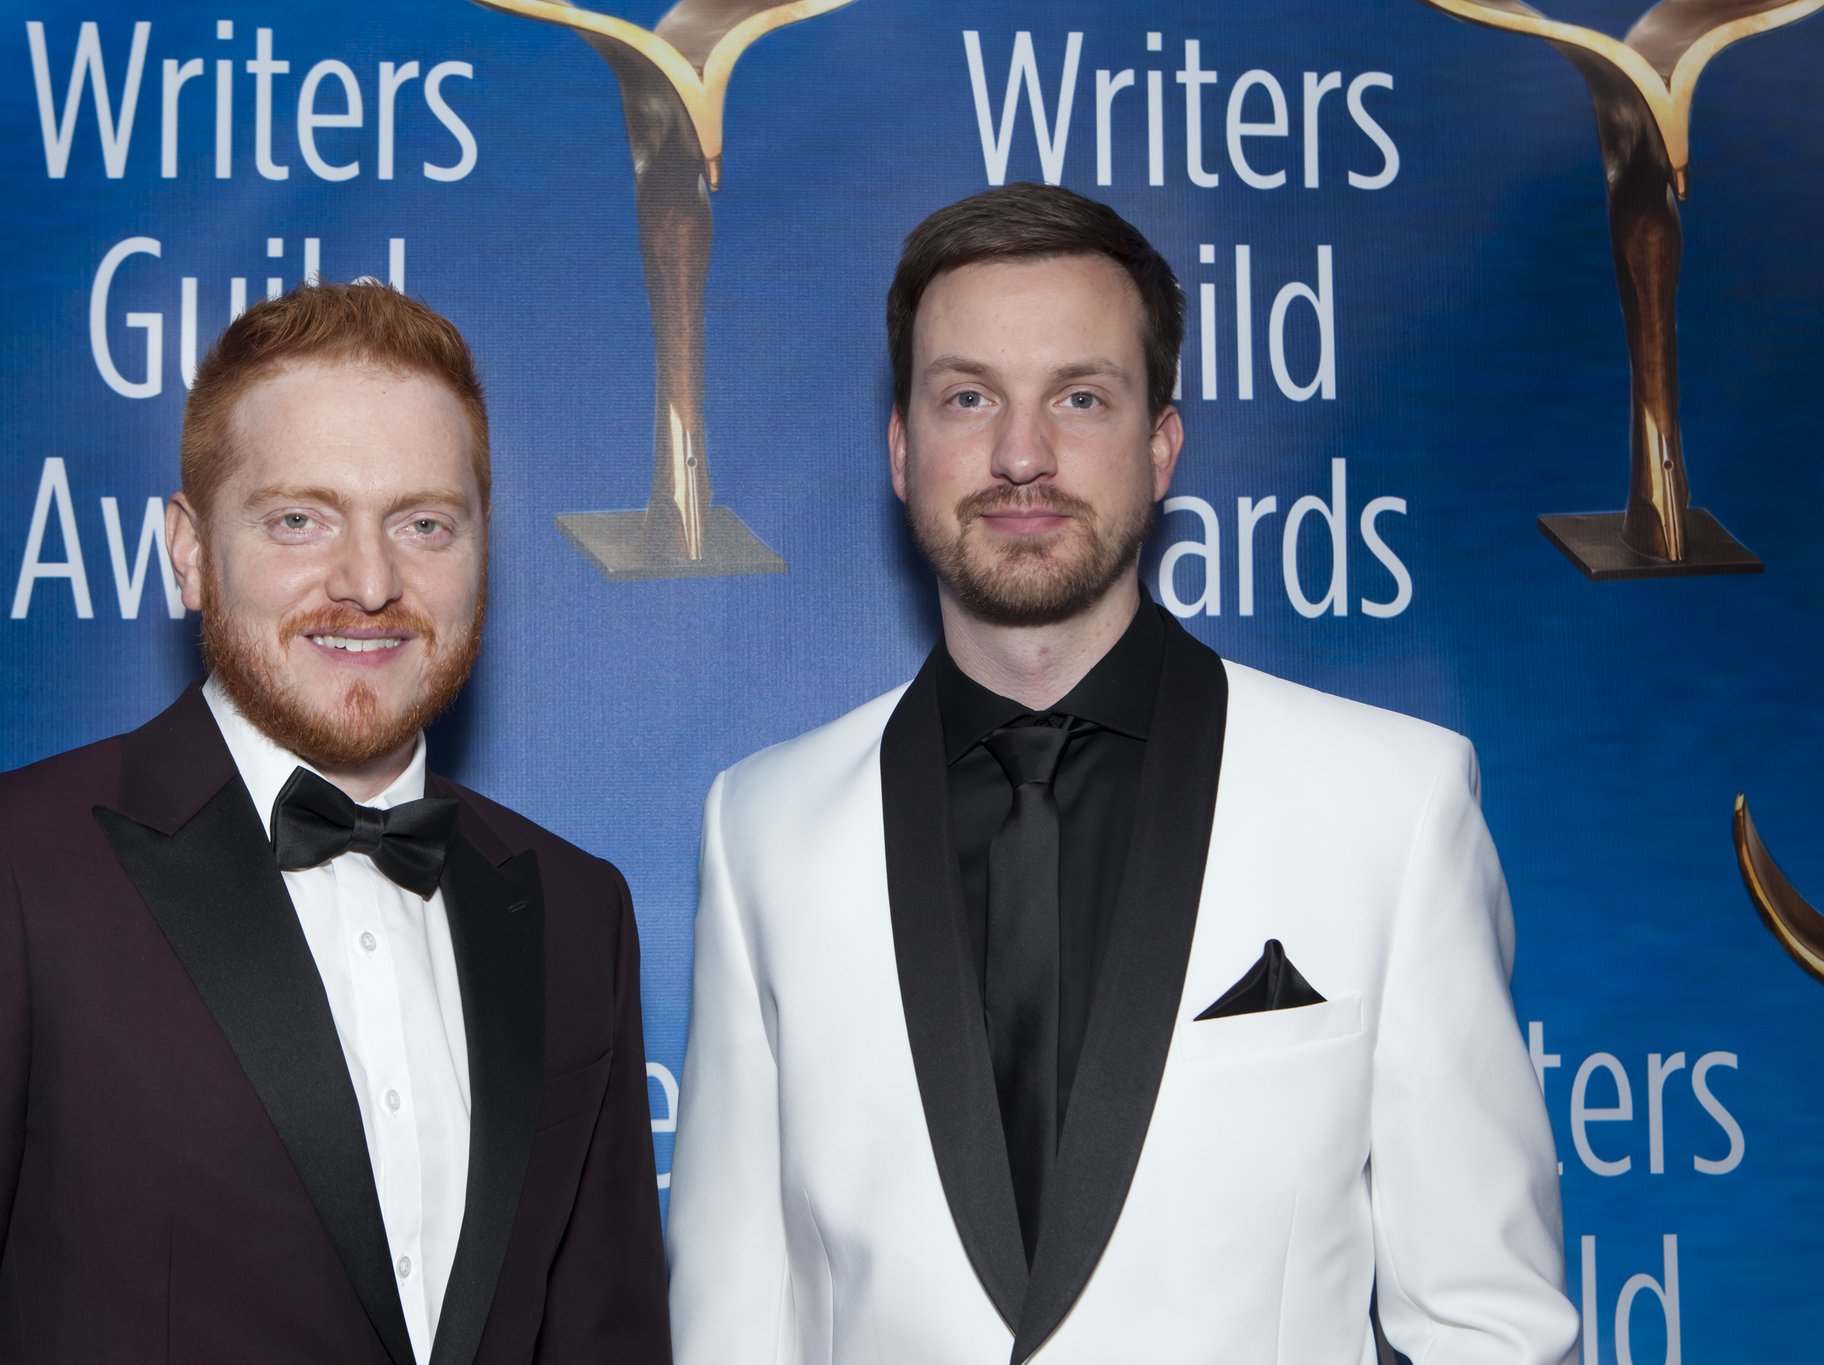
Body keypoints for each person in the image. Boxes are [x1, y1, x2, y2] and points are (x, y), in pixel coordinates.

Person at [664, 184, 1577, 1364]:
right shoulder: (763, 828)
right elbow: (734, 1325)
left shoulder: (1389, 806)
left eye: (1079, 398)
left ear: (1161, 446)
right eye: (967, 397)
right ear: (901, 448)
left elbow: (1489, 1326)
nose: (1020, 455)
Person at [0, 283, 671, 1365]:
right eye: (300, 519)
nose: (370, 582)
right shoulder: (1, 874)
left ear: (483, 551)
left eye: (423, 523)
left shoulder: (578, 911)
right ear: (189, 550)